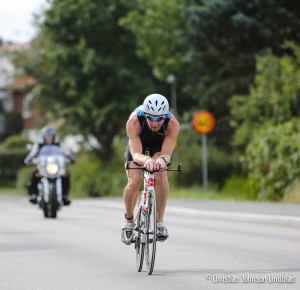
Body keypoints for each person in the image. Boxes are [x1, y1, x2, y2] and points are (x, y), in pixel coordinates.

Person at [122, 93, 180, 245]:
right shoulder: (134, 121)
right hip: (138, 144)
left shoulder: (173, 124)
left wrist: (161, 161)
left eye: (159, 118)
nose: (155, 123)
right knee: (134, 182)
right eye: (151, 118)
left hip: (158, 145)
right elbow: (135, 154)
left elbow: (166, 154)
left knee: (161, 175)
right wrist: (146, 159)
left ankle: (160, 223)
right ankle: (129, 221)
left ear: (165, 116)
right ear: (145, 115)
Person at [24, 127, 75, 205]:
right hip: (43, 168)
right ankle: (34, 195)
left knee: (65, 176)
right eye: (47, 136)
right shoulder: (39, 145)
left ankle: (64, 196)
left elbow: (66, 152)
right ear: (43, 137)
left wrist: (70, 157)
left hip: (56, 168)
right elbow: (33, 153)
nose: (48, 138)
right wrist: (29, 158)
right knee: (34, 175)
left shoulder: (59, 144)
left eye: (50, 136)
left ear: (53, 137)